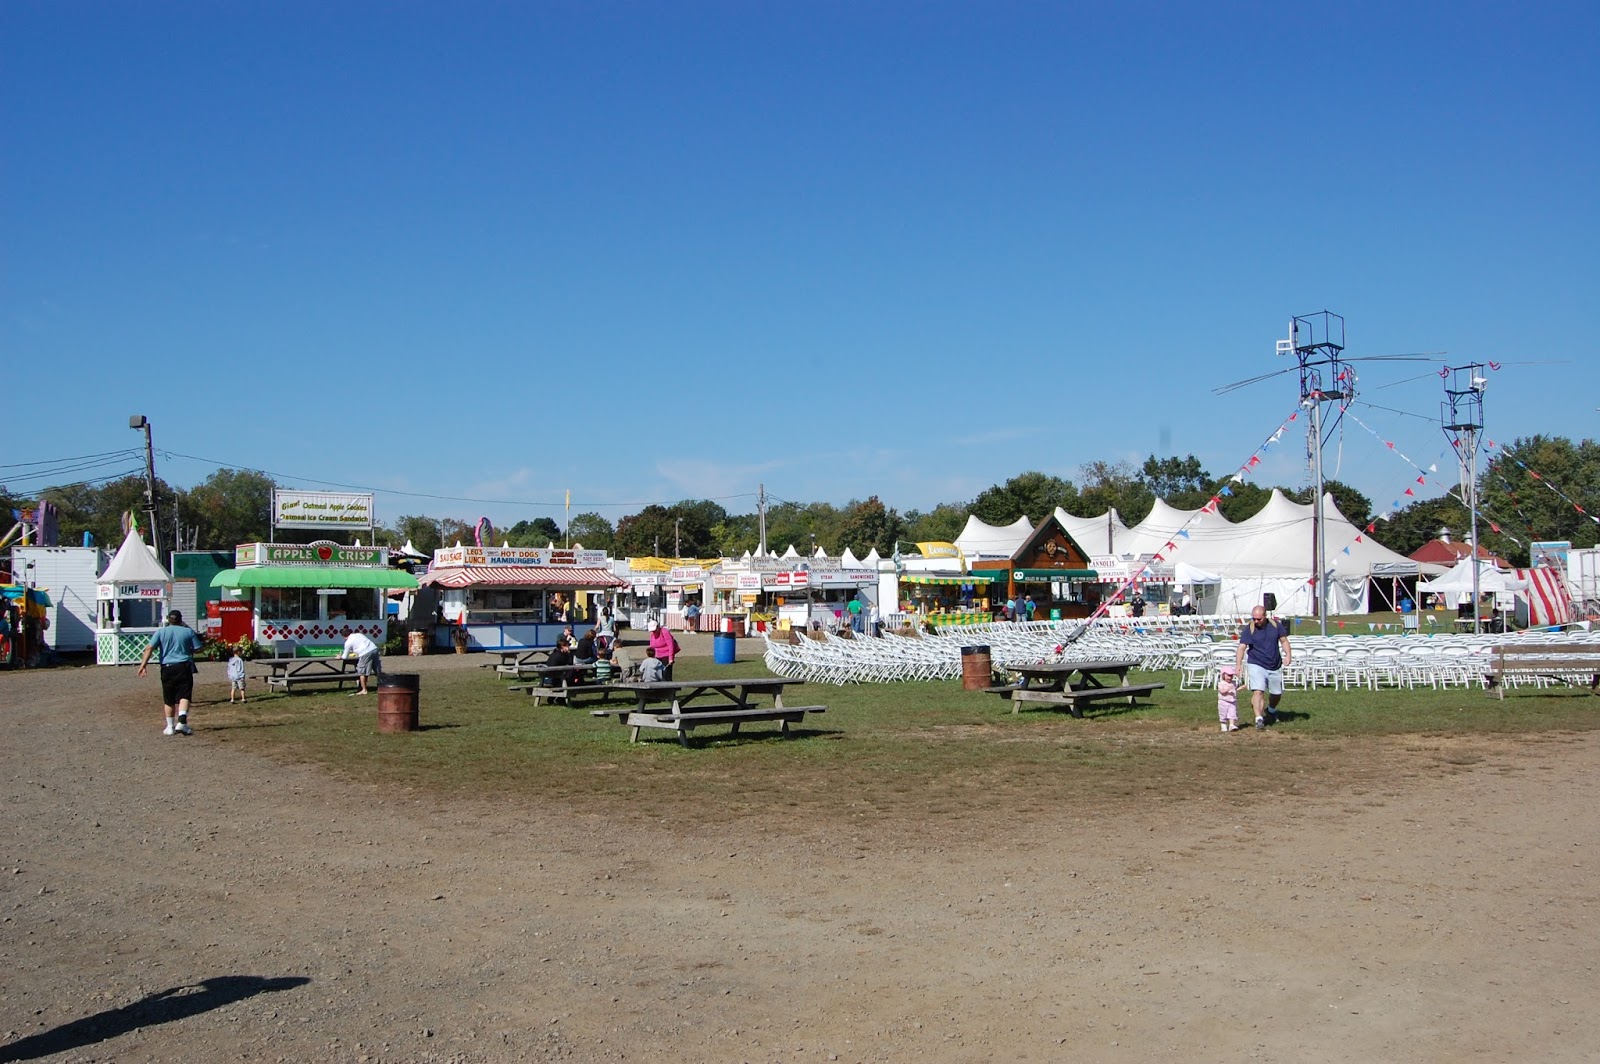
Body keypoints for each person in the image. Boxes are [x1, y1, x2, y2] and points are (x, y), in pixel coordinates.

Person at [137, 610, 206, 735]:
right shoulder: (188, 632)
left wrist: (143, 665)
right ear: (180, 619)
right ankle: (182, 720)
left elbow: (149, 648)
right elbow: (198, 648)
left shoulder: (161, 632)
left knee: (168, 698)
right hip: (183, 666)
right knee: (184, 694)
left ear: (169, 619)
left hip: (167, 667)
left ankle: (170, 727)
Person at [1235, 605, 1292, 730]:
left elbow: (1284, 641)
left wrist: (1288, 655)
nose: (1256, 621)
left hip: (1274, 664)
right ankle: (1259, 719)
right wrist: (1238, 665)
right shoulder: (1249, 629)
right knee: (1258, 690)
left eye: (1259, 619)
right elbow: (1241, 647)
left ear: (1265, 616)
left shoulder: (1276, 626)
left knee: (1276, 693)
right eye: (1254, 619)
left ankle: (1270, 710)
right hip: (1256, 663)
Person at [340, 629, 382, 696]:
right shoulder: (359, 635)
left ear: (343, 636)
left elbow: (344, 657)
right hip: (374, 649)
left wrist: (339, 656)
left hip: (365, 653)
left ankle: (364, 690)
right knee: (377, 670)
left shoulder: (348, 642)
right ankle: (383, 686)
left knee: (362, 672)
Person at [1216, 665, 1239, 732]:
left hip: (1232, 701)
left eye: (1231, 676)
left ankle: (1232, 725)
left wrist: (1240, 688)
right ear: (1223, 675)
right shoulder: (1221, 683)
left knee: (1232, 713)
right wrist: (1228, 688)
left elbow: (1235, 690)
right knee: (1223, 713)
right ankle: (1223, 725)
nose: (1230, 677)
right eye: (1228, 675)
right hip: (1223, 702)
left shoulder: (1233, 683)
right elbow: (1222, 691)